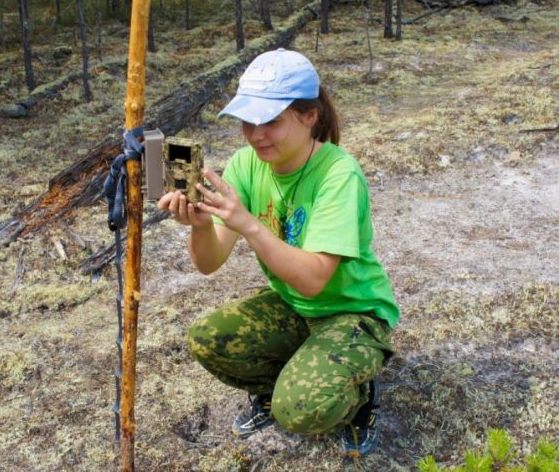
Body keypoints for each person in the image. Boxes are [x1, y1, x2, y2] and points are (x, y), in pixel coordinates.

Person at [157, 48, 398, 457]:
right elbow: (209, 262)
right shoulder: (247, 165)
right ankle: (281, 382)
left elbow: (315, 278)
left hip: (353, 313)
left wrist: (249, 224)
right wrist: (200, 227)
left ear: (309, 117)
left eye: (270, 121)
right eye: (248, 121)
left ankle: (360, 396)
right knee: (209, 338)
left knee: (300, 410)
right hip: (294, 306)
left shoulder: (339, 175)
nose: (255, 135)